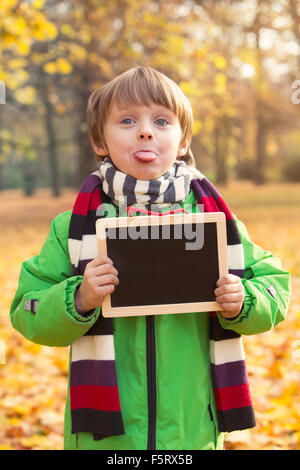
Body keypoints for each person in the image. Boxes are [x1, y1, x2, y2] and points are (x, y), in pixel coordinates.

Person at [10, 66, 291, 450]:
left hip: (190, 429)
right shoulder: (74, 228)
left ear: (181, 142)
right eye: (127, 120)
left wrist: (245, 300)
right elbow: (27, 308)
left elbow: (276, 286)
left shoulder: (214, 222)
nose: (145, 131)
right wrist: (79, 298)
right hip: (105, 437)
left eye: (161, 121)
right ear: (100, 141)